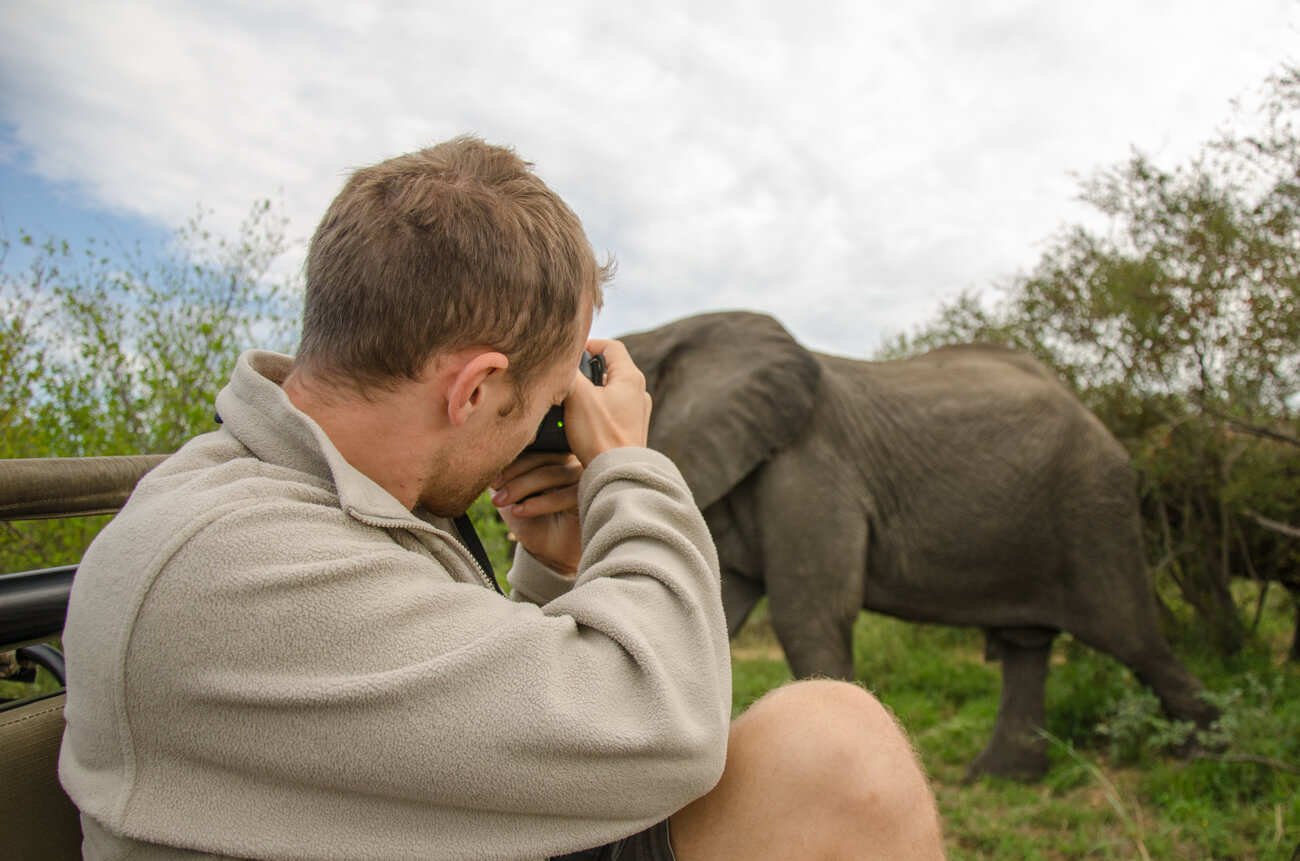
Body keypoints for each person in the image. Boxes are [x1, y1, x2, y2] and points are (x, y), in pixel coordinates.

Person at [58, 136, 945, 860]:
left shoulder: (317, 502)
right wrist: (628, 469)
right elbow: (669, 729)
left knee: (833, 749)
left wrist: (557, 568)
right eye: (547, 394)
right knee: (841, 744)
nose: (544, 425)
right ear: (475, 388)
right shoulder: (226, 560)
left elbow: (441, 732)